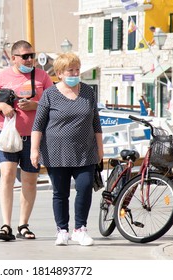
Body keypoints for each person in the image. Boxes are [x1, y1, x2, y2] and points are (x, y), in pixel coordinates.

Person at [30, 52, 103, 246]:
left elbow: (96, 122)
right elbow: (38, 124)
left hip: (85, 150)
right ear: (60, 73)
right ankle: (62, 230)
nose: (75, 73)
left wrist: (100, 149)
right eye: (70, 70)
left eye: (77, 69)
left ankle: (80, 229)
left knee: (85, 187)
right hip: (56, 151)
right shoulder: (50, 94)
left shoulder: (88, 92)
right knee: (60, 193)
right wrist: (34, 150)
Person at [0, 40, 53, 241]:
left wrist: (35, 105)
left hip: (34, 135)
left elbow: (55, 103)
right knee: (7, 175)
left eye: (32, 55)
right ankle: (6, 225)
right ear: (14, 58)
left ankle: (23, 224)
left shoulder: (42, 76)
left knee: (30, 180)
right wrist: (2, 107)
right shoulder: (2, 76)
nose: (30, 59)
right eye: (25, 56)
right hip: (7, 134)